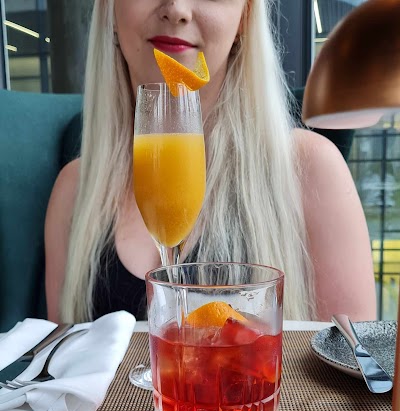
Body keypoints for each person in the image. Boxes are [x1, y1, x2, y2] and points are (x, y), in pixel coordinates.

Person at [45, 0, 376, 324]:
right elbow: (59, 355)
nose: (177, 8)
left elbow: (352, 354)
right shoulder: (74, 192)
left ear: (244, 18)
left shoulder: (311, 169)